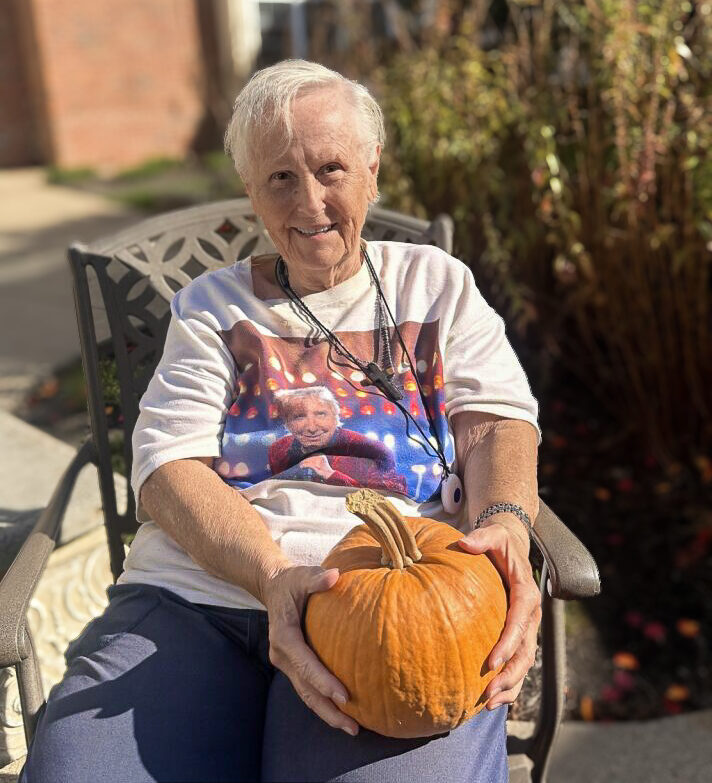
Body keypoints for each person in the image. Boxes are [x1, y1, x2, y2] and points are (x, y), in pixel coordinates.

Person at [21, 60, 542, 782]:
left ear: (372, 170)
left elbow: (497, 426)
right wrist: (273, 578)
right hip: (197, 599)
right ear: (251, 193)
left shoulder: (437, 284)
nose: (311, 201)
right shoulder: (210, 308)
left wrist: (508, 524)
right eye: (280, 179)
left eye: (331, 169)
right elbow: (168, 471)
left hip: (393, 608)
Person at [268, 386, 407, 493]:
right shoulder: (279, 450)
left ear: (336, 417)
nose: (311, 428)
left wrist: (332, 476)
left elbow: (393, 498)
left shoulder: (374, 452)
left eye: (321, 414)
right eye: (299, 417)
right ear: (287, 423)